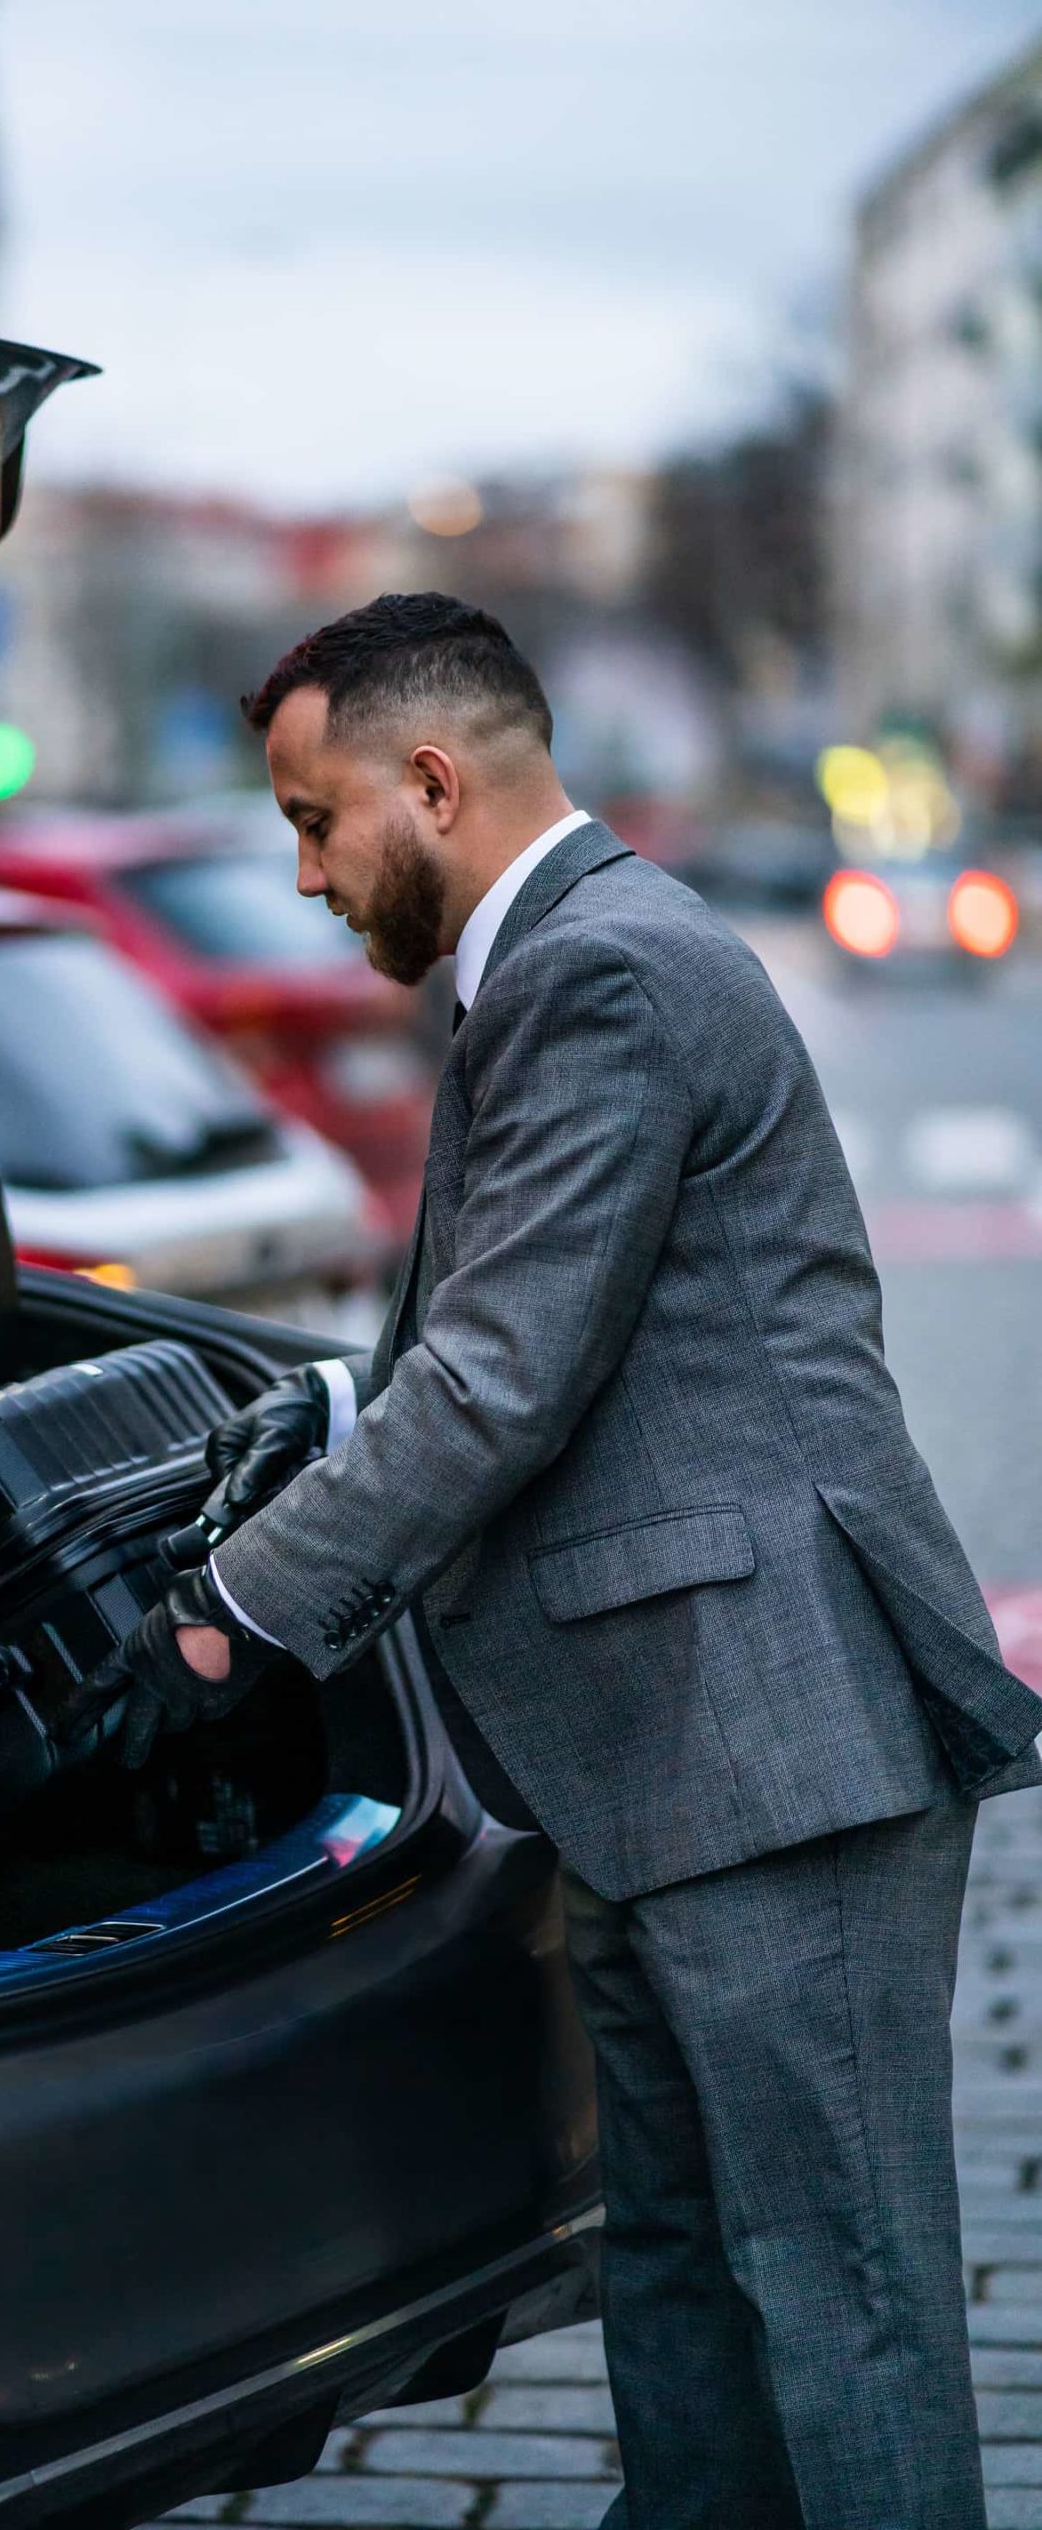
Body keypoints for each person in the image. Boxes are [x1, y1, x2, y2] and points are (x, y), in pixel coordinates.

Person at [90, 593, 1042, 2529]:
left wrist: (230, 1617)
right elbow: (483, 1357)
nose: (300, 874)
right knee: (683, 2291)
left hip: (775, 1746)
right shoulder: (561, 963)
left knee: (838, 2308)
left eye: (312, 818)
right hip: (651, 1754)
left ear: (430, 779)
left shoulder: (602, 968)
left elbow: (501, 1371)